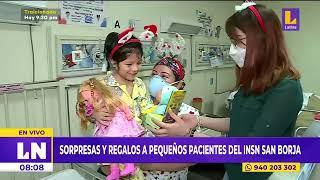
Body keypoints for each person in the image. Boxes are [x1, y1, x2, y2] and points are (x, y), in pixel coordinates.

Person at [148, 2, 303, 180]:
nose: (232, 50)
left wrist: (188, 134)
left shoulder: (286, 89)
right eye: (232, 42)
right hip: (233, 171)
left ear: (264, 42)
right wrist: (197, 120)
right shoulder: (253, 81)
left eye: (239, 42)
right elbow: (239, 122)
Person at [76, 78, 144, 180]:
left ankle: (129, 166)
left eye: (87, 98)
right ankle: (115, 172)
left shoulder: (107, 99)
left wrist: (128, 113)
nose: (85, 102)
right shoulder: (92, 102)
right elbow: (86, 115)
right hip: (107, 131)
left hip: (118, 128)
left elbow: (121, 105)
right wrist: (94, 114)